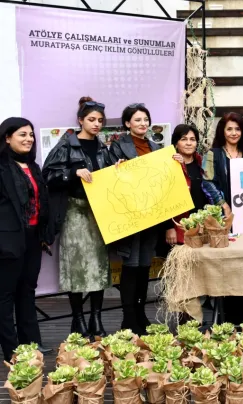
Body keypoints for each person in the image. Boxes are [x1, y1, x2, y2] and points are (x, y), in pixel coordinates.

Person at [42, 97, 112, 338]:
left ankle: (96, 318)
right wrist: (73, 172)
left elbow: (111, 177)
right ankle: (78, 319)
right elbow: (48, 175)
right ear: (80, 120)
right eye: (91, 119)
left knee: (99, 267)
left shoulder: (103, 147)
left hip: (99, 213)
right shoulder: (66, 145)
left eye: (100, 121)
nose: (96, 124)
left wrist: (119, 166)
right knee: (76, 267)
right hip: (74, 211)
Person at [108, 103, 167, 335]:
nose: (143, 124)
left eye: (145, 119)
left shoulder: (155, 147)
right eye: (138, 120)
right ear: (127, 124)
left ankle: (141, 315)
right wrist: (117, 170)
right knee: (130, 267)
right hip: (130, 215)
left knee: (144, 267)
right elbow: (110, 178)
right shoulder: (118, 146)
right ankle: (128, 318)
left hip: (151, 215)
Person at [0, 117, 52, 361]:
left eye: (30, 134)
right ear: (7, 138)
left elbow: (42, 202)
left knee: (27, 291)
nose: (29, 139)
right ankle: (11, 350)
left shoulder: (33, 167)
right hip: (7, 240)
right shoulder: (1, 167)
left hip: (32, 238)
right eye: (22, 134)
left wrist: (44, 233)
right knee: (5, 296)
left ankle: (31, 344)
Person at [202, 113, 243, 325]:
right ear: (223, 132)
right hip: (224, 217)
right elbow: (207, 182)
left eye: (238, 129)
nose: (234, 133)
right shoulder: (213, 154)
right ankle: (227, 317)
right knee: (227, 263)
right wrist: (223, 204)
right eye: (229, 129)